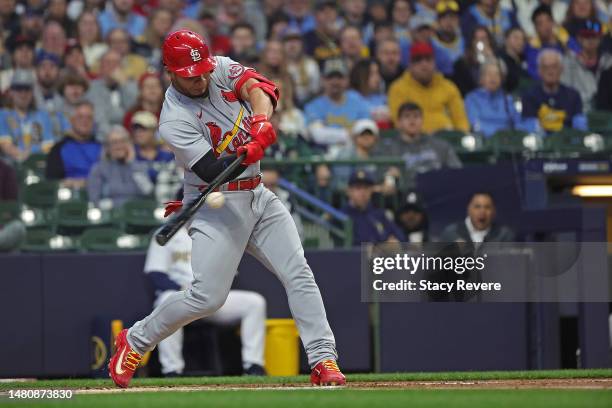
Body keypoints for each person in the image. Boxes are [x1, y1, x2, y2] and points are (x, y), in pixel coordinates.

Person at [108, 29, 345, 389]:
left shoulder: (218, 67)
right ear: (170, 73)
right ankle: (137, 340)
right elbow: (212, 171)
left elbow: (260, 88)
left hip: (257, 193)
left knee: (298, 271)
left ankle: (323, 358)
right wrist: (245, 151)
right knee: (208, 297)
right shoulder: (173, 118)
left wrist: (262, 123)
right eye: (191, 75)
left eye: (202, 69)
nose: (201, 78)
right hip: (215, 203)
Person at [142, 223, 267, 376]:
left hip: (209, 296)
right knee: (165, 301)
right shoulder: (166, 232)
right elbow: (155, 274)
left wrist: (209, 287)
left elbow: (228, 272)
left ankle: (254, 366)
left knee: (254, 303)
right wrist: (182, 288)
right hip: (179, 294)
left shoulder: (217, 231)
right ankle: (172, 370)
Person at [388, 42, 469, 133]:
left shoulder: (448, 87)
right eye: (418, 60)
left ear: (434, 63)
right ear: (410, 65)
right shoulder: (398, 88)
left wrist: (461, 136)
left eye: (428, 59)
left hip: (447, 139)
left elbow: (461, 120)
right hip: (414, 141)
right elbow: (397, 122)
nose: (424, 65)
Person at [376, 102, 462, 188]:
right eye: (407, 116)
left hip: (438, 190)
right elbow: (382, 176)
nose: (412, 121)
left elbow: (457, 171)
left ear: (422, 120)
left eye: (416, 116)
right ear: (399, 122)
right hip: (405, 194)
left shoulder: (439, 145)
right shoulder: (389, 148)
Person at [304, 58, 370, 157]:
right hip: (325, 156)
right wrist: (348, 134)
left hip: (355, 155)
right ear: (322, 80)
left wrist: (331, 134)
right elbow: (318, 135)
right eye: (330, 77)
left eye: (339, 77)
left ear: (347, 80)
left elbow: (366, 131)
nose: (335, 81)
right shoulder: (313, 106)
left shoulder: (358, 101)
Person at [521, 49, 587, 133]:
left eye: (554, 67)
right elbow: (530, 129)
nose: (550, 71)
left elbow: (579, 129)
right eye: (545, 67)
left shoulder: (573, 96)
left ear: (561, 69)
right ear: (539, 71)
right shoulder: (529, 96)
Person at [87, 126, 153, 207]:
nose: (119, 146)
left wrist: (132, 164)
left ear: (129, 144)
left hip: (137, 215)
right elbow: (94, 201)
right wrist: (120, 205)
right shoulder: (98, 169)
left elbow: (148, 192)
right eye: (114, 142)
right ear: (107, 147)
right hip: (109, 216)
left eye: (123, 141)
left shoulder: (138, 167)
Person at [0, 70, 56, 162]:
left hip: (39, 164)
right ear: (11, 92)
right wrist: (23, 157)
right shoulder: (2, 115)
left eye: (27, 89)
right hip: (11, 167)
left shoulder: (42, 116)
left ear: (32, 92)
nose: (23, 94)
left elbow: (48, 146)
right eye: (18, 89)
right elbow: (5, 145)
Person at [464, 61, 531, 137]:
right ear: (481, 78)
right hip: (483, 141)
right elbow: (475, 124)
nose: (493, 78)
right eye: (489, 74)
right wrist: (501, 134)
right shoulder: (472, 98)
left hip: (507, 142)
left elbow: (518, 123)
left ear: (502, 79)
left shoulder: (508, 100)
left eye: (497, 74)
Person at [46, 101, 102, 189]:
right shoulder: (58, 149)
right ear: (71, 120)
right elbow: (52, 183)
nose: (85, 121)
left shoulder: (103, 148)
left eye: (89, 117)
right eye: (80, 117)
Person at [341, 170, 405, 246]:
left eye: (366, 188)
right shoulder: (342, 215)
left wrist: (395, 242)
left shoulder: (378, 213)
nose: (363, 192)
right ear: (349, 191)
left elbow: (400, 236)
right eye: (358, 188)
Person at [86, 50, 139, 138]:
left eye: (116, 63)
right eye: (108, 63)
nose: (112, 67)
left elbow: (135, 110)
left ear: (122, 67)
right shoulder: (92, 88)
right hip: (104, 137)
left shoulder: (131, 85)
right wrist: (114, 137)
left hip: (131, 136)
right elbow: (99, 119)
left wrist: (124, 84)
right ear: (101, 68)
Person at [561, 19, 612, 111]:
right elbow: (564, 92)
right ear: (579, 38)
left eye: (594, 36)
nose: (590, 40)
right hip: (579, 111)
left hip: (606, 113)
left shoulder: (609, 62)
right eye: (586, 36)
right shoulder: (568, 62)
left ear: (600, 38)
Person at [438, 192, 515, 246]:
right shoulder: (451, 234)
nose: (482, 211)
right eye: (477, 207)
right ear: (469, 209)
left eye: (487, 207)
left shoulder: (504, 235)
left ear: (494, 211)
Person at [525, 5, 574, 80]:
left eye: (548, 21)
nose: (546, 26)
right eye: (540, 23)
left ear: (553, 22)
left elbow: (580, 58)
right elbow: (534, 73)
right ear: (535, 28)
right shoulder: (533, 48)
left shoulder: (566, 40)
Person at [451, 26, 500, 96]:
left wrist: (491, 59)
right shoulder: (461, 64)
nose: (480, 42)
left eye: (483, 39)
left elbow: (504, 82)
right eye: (476, 39)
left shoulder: (496, 59)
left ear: (489, 41)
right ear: (472, 42)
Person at [130, 110, 173, 183]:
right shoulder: (130, 155)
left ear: (153, 131)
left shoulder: (167, 155)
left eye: (143, 129)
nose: (138, 133)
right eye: (135, 129)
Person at [282, 27, 321, 107]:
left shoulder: (311, 65)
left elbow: (316, 92)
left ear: (302, 44)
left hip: (309, 105)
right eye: (288, 40)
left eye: (296, 40)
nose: (292, 44)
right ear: (282, 45)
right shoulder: (278, 66)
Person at [349, 59, 391, 128]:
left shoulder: (382, 98)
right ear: (361, 75)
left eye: (378, 73)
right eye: (372, 74)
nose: (378, 78)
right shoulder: (350, 97)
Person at [303, 0, 342, 64]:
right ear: (314, 15)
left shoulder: (343, 36)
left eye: (332, 9)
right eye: (322, 10)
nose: (328, 13)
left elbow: (362, 52)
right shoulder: (307, 38)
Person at [432, 1, 465, 65]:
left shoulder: (464, 40)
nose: (448, 21)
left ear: (458, 20)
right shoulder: (431, 43)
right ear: (438, 21)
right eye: (444, 17)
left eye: (452, 17)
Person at [499, 27, 530, 93]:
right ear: (506, 40)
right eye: (516, 38)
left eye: (523, 39)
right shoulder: (500, 61)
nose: (520, 42)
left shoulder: (524, 60)